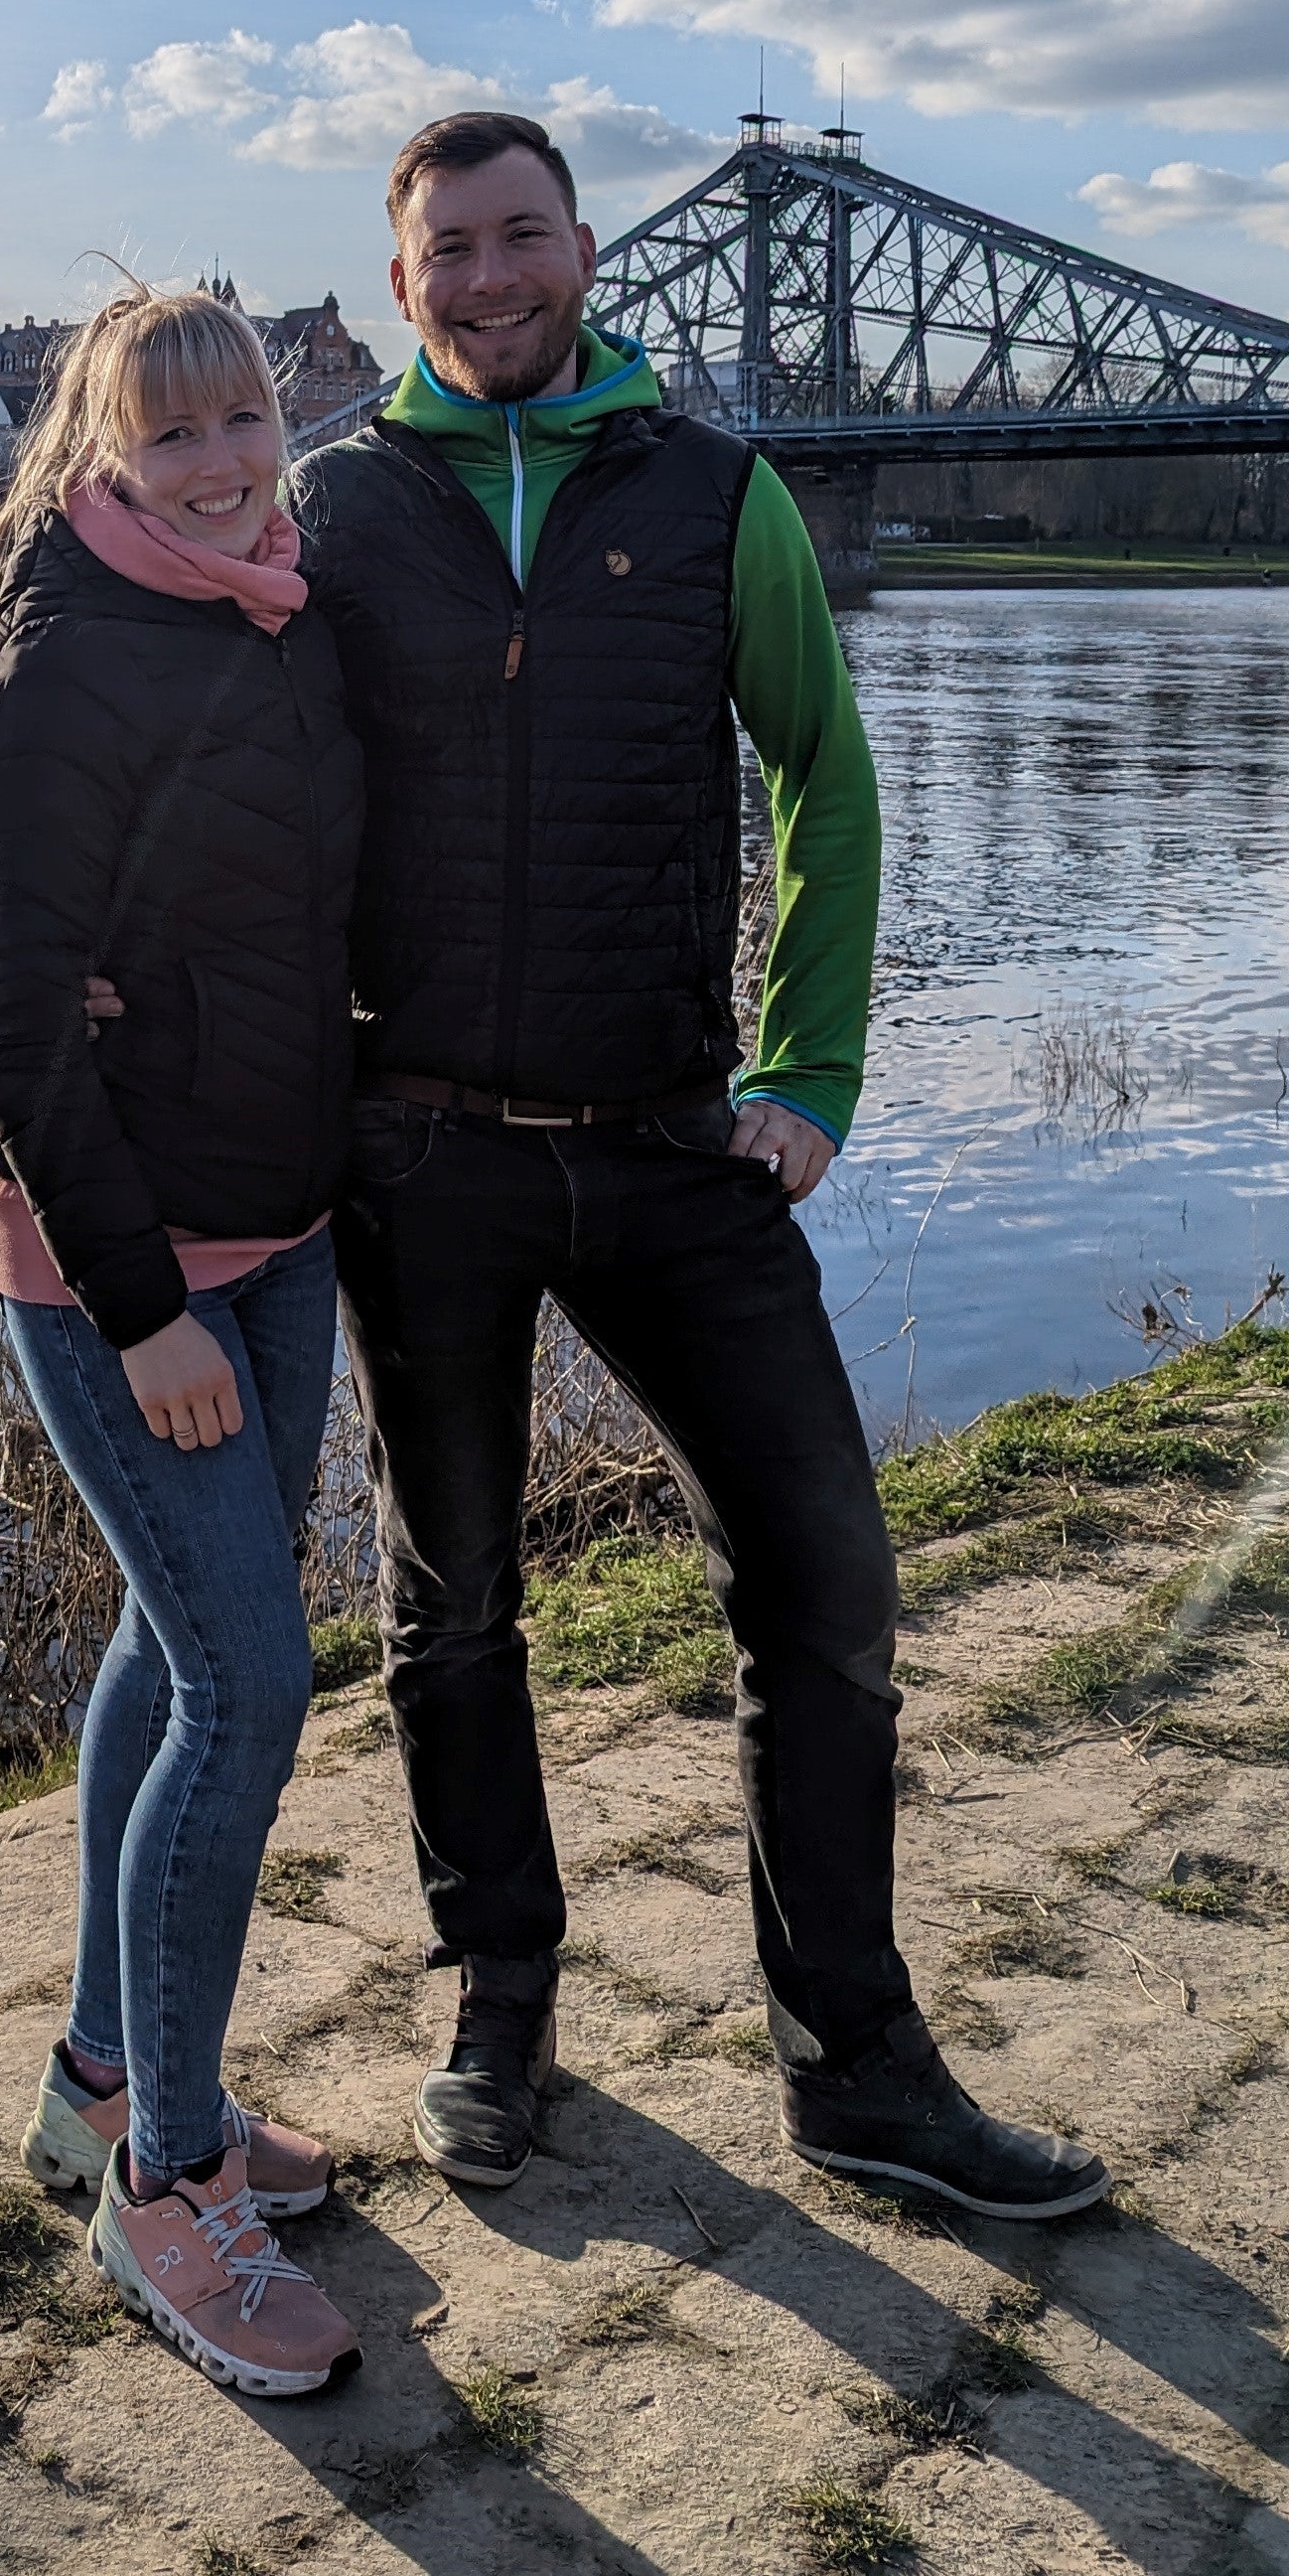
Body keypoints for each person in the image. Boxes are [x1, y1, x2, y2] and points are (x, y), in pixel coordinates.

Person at [291, 110, 1106, 2222]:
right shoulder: (332, 511)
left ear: (582, 251)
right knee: (453, 1608)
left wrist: (808, 1070)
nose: (489, 277)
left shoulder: (716, 492)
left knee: (825, 1584)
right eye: (447, 249)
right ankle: (501, 2005)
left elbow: (824, 770)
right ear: (401, 285)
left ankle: (857, 2059)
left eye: (523, 236)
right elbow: (242, 816)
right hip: (423, 1155)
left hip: (671, 1139)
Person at [0, 289, 366, 2396]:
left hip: (282, 1240)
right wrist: (140, 1309)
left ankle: (100, 2085)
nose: (217, 456)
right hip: (131, 1272)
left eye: (244, 418)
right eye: (173, 430)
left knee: (170, 1646)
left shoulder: (282, 626)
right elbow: (15, 1027)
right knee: (248, 1683)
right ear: (103, 453)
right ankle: (172, 2191)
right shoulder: (66, 678)